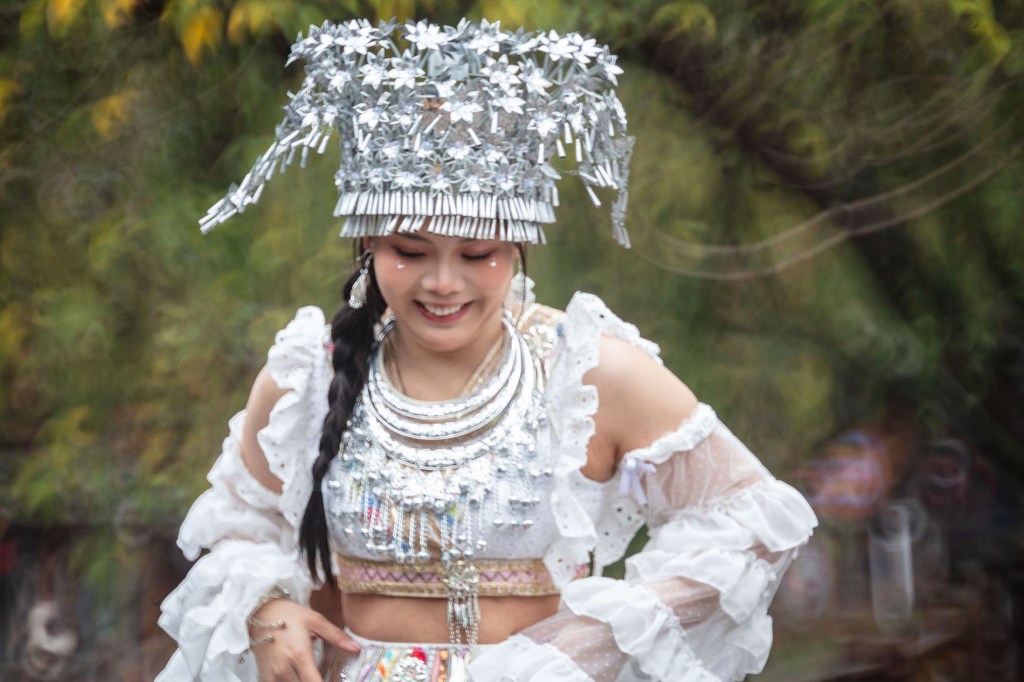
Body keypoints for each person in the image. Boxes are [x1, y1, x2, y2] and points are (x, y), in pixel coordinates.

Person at [157, 18, 818, 682]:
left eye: (477, 254)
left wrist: (583, 646)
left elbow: (753, 523)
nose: (443, 283)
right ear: (368, 246)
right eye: (410, 251)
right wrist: (268, 613)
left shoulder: (582, 372)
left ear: (517, 247)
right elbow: (239, 526)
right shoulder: (308, 376)